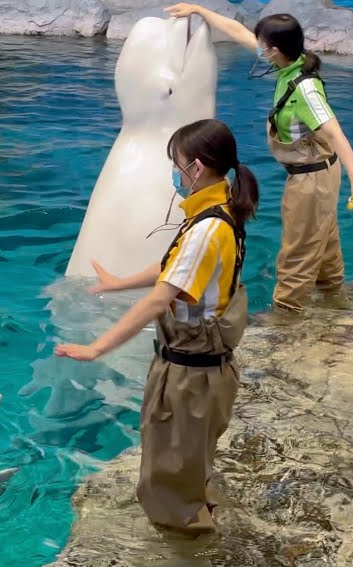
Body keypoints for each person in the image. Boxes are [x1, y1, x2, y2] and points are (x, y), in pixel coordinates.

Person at [55, 119, 258, 535]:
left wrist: (98, 347)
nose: (175, 173)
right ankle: (197, 521)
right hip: (206, 369)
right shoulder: (219, 214)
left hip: (190, 376)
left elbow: (159, 299)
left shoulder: (206, 228)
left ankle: (186, 561)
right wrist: (118, 282)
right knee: (189, 465)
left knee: (169, 478)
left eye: (177, 164)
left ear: (197, 169)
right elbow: (174, 268)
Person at [166, 5, 353, 314]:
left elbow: (336, 135)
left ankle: (285, 322)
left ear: (274, 50)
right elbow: (238, 32)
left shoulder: (305, 90)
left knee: (297, 251)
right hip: (319, 174)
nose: (257, 46)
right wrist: (200, 10)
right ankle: (335, 304)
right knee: (324, 242)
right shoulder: (288, 64)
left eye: (262, 43)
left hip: (311, 179)